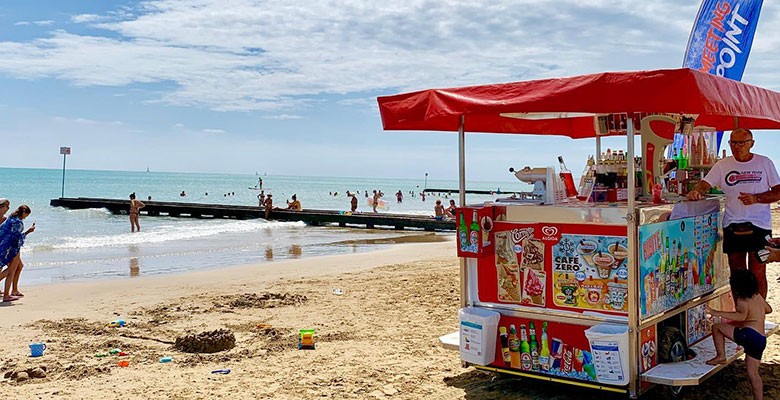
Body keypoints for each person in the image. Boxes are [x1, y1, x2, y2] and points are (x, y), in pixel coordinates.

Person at [687, 128, 780, 298]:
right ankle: (741, 309)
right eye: (733, 143)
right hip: (732, 224)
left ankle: (759, 311)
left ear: (752, 143)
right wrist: (696, 191)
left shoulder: (764, 163)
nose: (737, 147)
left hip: (760, 225)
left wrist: (757, 198)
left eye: (741, 143)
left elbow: (778, 191)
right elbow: (705, 183)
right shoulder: (723, 165)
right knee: (737, 274)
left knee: (758, 271)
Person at [706, 269, 772, 400]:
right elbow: (769, 309)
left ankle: (721, 356)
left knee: (717, 328)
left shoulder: (742, 301)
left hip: (749, 335)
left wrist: (716, 312)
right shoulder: (757, 296)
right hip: (760, 339)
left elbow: (741, 317)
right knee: (753, 374)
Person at [0, 205, 35, 302]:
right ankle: (6, 295)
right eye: (26, 215)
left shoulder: (11, 218)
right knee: (11, 270)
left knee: (19, 266)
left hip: (3, 246)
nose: (26, 217)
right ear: (24, 212)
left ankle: (14, 290)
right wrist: (28, 231)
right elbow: (17, 238)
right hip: (11, 248)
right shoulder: (18, 222)